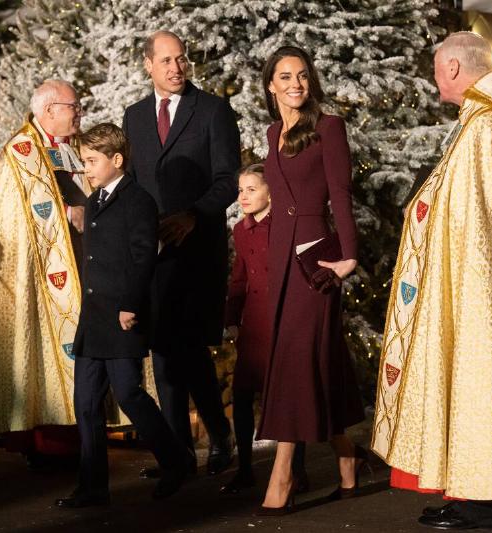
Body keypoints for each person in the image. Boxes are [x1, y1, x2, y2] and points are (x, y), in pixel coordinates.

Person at [371, 32, 492, 530]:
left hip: (477, 285)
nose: (435, 79)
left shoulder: (484, 128)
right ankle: (466, 491)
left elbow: (473, 221)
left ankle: (482, 499)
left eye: (437, 68)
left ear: (454, 68)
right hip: (472, 278)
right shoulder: (488, 121)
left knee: (480, 376)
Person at [56, 124, 193, 508]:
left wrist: (131, 305)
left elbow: (143, 256)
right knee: (85, 402)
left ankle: (176, 460)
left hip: (121, 315)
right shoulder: (96, 198)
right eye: (83, 161)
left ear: (117, 160)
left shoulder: (138, 201)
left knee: (130, 394)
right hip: (94, 317)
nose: (86, 168)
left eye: (92, 161)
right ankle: (93, 486)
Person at [256, 46, 367, 515]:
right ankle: (347, 456)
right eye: (285, 77)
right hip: (280, 262)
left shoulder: (329, 127)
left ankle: (282, 474)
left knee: (297, 362)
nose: (296, 84)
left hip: (316, 264)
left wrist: (349, 257)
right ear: (271, 86)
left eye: (302, 75)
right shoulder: (273, 131)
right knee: (319, 360)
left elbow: (340, 193)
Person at [122, 30, 238, 477]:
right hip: (152, 255)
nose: (176, 68)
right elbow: (132, 183)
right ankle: (178, 454)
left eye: (181, 59)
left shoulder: (212, 111)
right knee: (164, 356)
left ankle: (220, 436)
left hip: (196, 252)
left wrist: (193, 215)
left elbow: (227, 180)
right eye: (166, 61)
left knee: (188, 351)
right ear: (148, 65)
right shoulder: (133, 118)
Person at [0, 79, 89, 467]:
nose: (79, 111)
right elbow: (15, 220)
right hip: (41, 276)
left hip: (80, 264)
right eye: (73, 105)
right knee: (45, 351)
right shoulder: (22, 151)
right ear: (48, 111)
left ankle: (82, 435)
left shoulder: (71, 146)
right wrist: (71, 215)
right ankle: (48, 443)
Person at [221, 164, 308, 495]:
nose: (243, 196)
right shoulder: (240, 230)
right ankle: (244, 468)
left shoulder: (286, 226)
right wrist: (231, 317)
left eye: (252, 189)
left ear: (271, 191)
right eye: (241, 190)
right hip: (253, 324)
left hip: (284, 319)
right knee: (243, 396)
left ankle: (296, 471)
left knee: (288, 397)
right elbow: (239, 276)